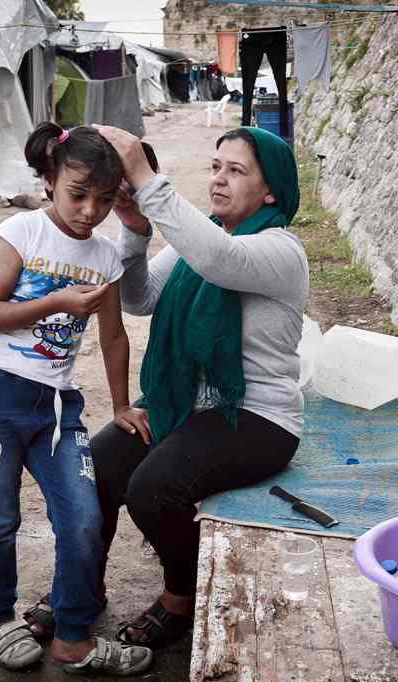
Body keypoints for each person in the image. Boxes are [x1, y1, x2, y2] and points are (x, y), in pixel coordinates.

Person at [90, 124, 309, 649]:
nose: (218, 180)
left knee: (153, 490)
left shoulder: (281, 250)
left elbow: (219, 260)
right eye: (215, 167)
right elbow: (139, 298)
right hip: (190, 403)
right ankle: (82, 587)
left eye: (236, 171)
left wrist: (144, 177)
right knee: (94, 464)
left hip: (258, 416)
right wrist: (135, 230)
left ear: (271, 189)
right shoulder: (206, 236)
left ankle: (180, 598)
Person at [0, 123, 153, 676]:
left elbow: (113, 335)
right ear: (50, 180)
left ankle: (74, 637)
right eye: (78, 194)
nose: (90, 211)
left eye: (105, 200)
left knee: (83, 517)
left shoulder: (107, 257)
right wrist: (56, 301)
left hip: (58, 407)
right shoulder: (20, 233)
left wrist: (119, 407)